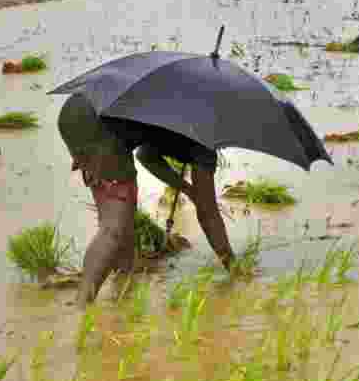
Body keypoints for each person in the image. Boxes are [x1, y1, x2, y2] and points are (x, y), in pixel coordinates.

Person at [58, 92, 234, 310]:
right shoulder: (206, 143)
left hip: (77, 112)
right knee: (113, 228)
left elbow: (146, 155)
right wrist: (233, 267)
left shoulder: (180, 110)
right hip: (99, 130)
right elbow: (208, 213)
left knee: (123, 224)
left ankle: (123, 287)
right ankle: (81, 306)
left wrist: (187, 190)